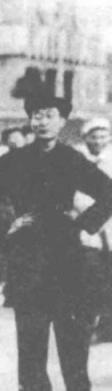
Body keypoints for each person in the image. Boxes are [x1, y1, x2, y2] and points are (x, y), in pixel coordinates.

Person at [0, 93, 112, 391]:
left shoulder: (71, 158)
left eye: (49, 115)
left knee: (74, 337)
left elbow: (108, 192)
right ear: (30, 120)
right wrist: (8, 224)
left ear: (62, 120)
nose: (42, 121)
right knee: (32, 336)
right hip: (27, 256)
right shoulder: (14, 160)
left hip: (67, 256)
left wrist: (83, 223)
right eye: (36, 115)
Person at [74, 117, 112, 343]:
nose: (98, 141)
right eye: (93, 137)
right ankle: (85, 325)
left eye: (103, 137)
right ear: (85, 138)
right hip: (87, 225)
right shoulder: (77, 160)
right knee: (88, 276)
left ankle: (107, 327)